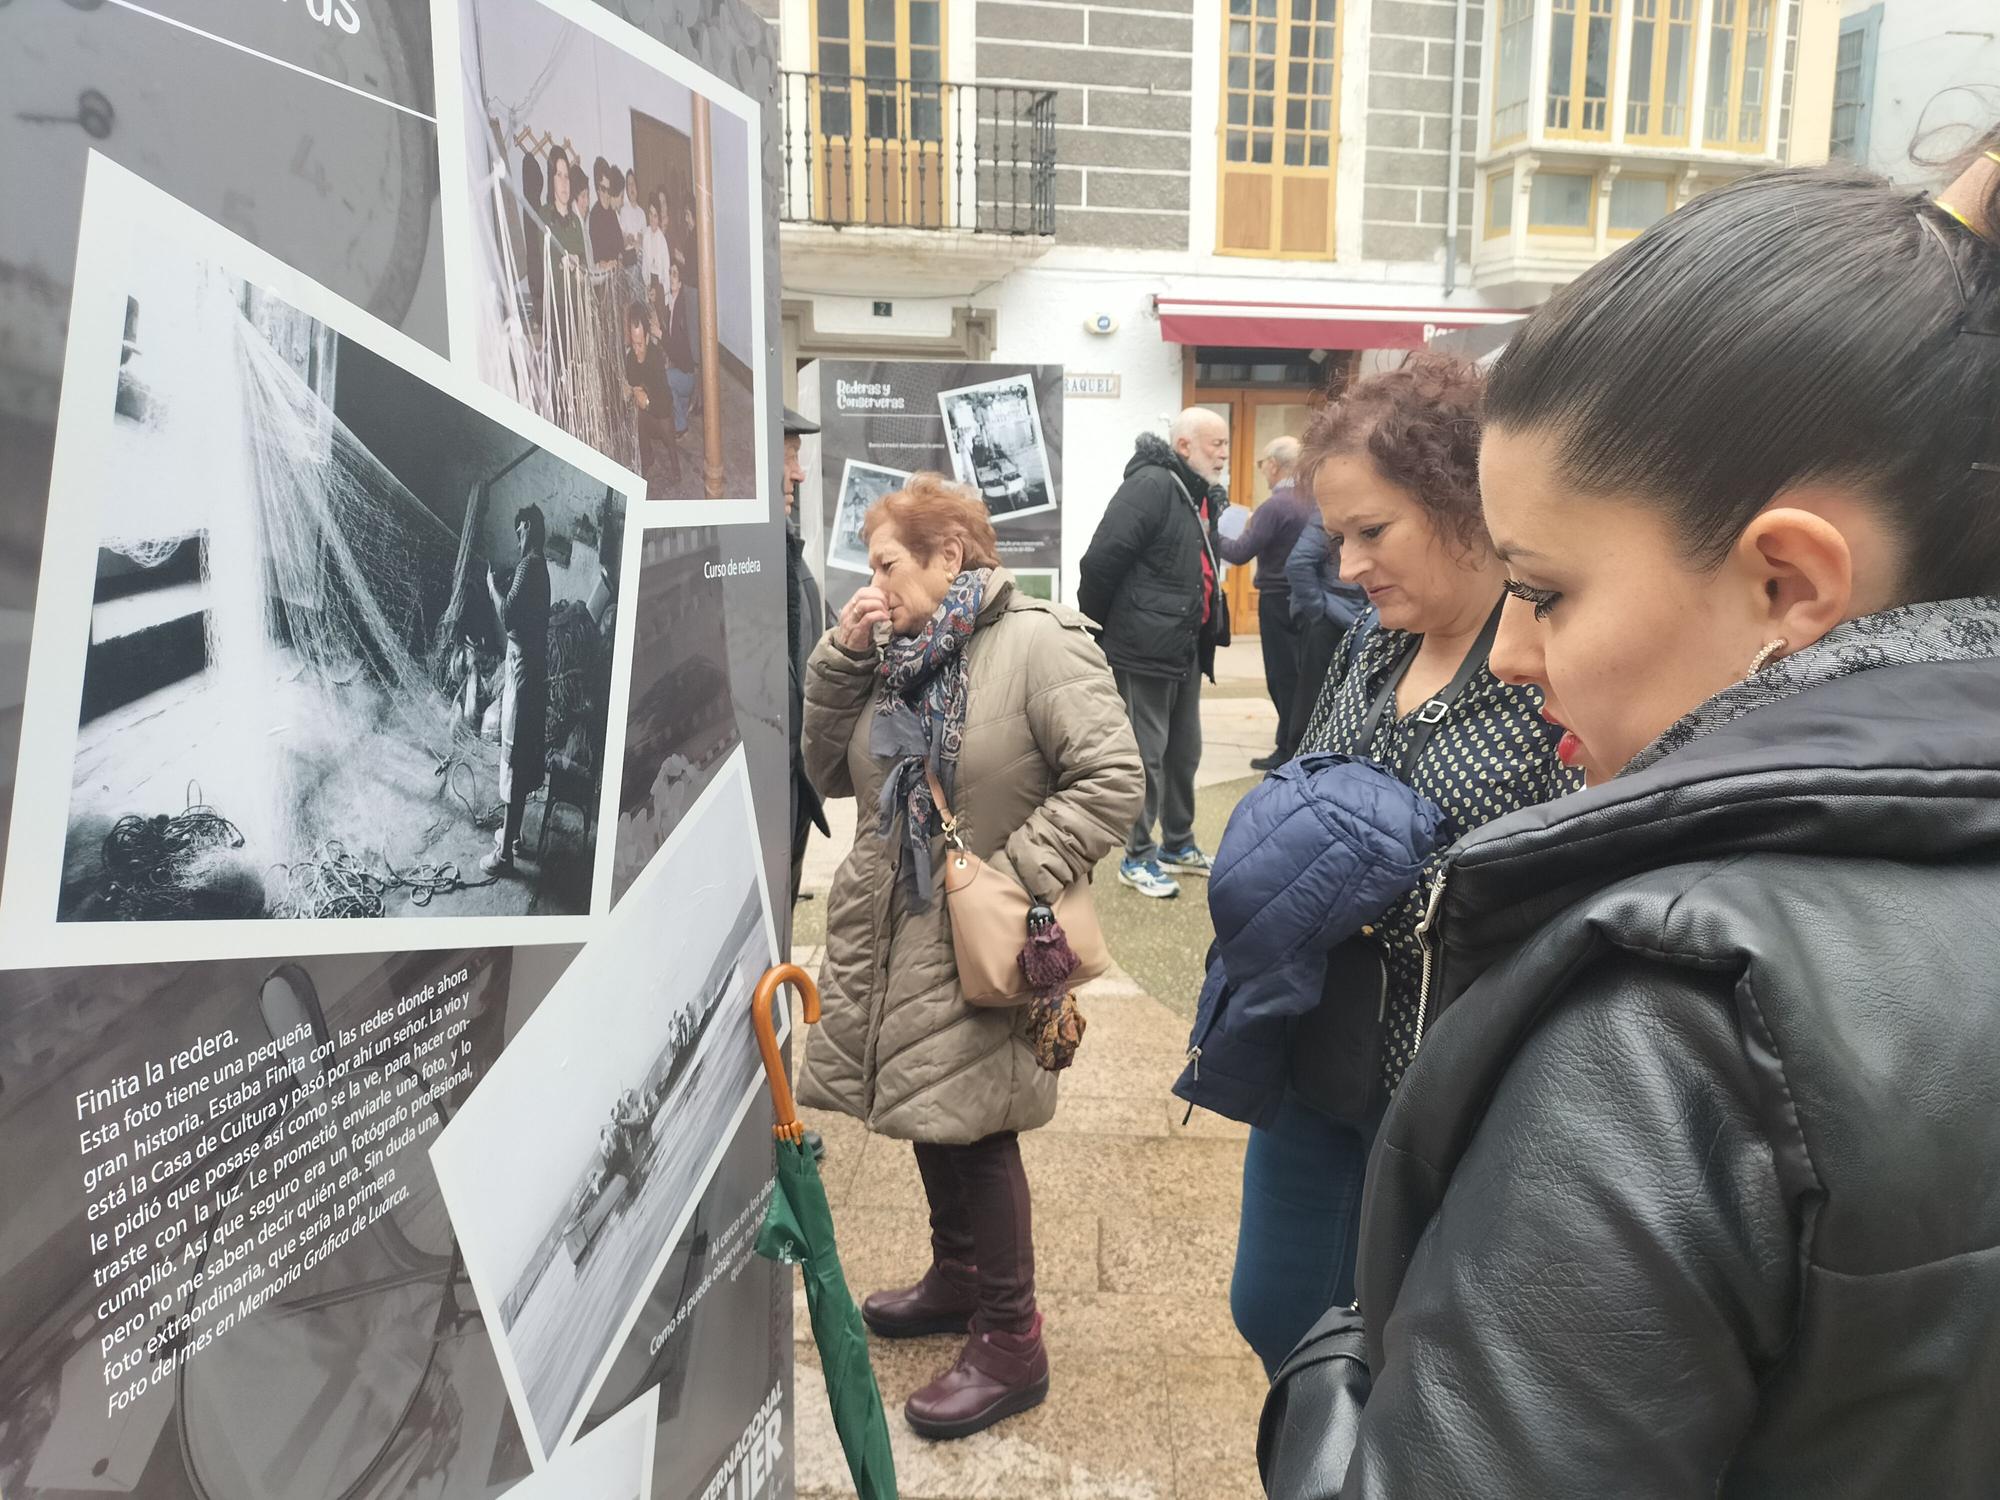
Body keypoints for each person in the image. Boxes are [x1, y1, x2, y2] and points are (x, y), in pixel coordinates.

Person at [1266, 138, 2000, 1497]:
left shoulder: (1680, 1022)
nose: (1514, 655)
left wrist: (1338, 1377)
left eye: (1545, 591)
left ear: (1787, 582)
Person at [1228, 354, 1577, 1375]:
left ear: (1465, 504)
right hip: (1314, 1046)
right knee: (1276, 1308)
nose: (1344, 566)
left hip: (1448, 1090)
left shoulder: (1548, 666)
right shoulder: (1368, 647)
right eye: (1337, 536)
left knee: (1407, 1352)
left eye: (1370, 532)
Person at [799, 474, 1142, 1441]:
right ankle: (957, 1278)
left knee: (982, 1130)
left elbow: (1114, 779)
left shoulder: (1037, 643)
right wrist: (842, 655)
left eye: (887, 565)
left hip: (977, 933)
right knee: (931, 1111)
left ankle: (1010, 1338)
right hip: (899, 928)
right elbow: (829, 768)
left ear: (951, 556)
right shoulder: (892, 655)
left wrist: (1006, 878)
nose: (874, 585)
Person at [1077, 408, 1230, 900]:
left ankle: (1177, 844)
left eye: (1227, 445)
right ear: (1184, 446)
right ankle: (1136, 855)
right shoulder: (1152, 485)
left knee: (1184, 752)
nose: (1224, 455)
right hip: (1144, 649)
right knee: (1146, 757)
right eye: (1216, 445)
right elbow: (1100, 560)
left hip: (1182, 647)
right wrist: (1102, 630)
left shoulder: (1195, 495)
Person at [1218, 436, 1315, 768]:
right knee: (1301, 674)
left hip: (1276, 598)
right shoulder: (1311, 499)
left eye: (1262, 464)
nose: (1262, 471)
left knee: (1281, 675)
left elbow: (1240, 552)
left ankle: (1287, 749)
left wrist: (1209, 532)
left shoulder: (1275, 506)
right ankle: (1291, 740)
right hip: (1308, 599)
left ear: (1273, 465)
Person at [482, 504, 552, 878]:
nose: (518, 537)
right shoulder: (539, 567)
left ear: (526, 526)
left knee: (513, 760)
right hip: (529, 670)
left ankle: (504, 858)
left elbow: (508, 615)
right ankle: (514, 838)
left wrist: (493, 584)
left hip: (524, 673)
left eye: (518, 530)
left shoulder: (530, 564)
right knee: (522, 758)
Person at [781, 406, 829, 904]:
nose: (799, 472)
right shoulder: (752, 560)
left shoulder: (788, 553)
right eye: (788, 457)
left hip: (795, 787)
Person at [1282, 511, 1369, 756]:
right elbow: (1298, 563)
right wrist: (1318, 610)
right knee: (1311, 701)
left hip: (1358, 620)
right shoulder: (1326, 516)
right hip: (1329, 622)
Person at [623, 302, 676, 488]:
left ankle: (675, 464)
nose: (636, 349)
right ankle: (647, 457)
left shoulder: (655, 359)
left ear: (646, 337)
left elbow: (664, 402)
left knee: (667, 427)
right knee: (636, 416)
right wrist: (636, 391)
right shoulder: (631, 357)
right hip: (645, 411)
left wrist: (646, 400)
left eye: (639, 344)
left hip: (661, 410)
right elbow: (632, 381)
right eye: (632, 342)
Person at [661, 254, 698, 438]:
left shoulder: (681, 308)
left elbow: (679, 351)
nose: (671, 277)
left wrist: (660, 335)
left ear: (681, 281)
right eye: (670, 273)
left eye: (674, 274)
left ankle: (680, 425)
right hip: (684, 370)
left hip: (688, 374)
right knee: (670, 374)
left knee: (665, 377)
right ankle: (682, 410)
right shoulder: (673, 302)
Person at [541, 147, 586, 264]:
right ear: (552, 179)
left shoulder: (575, 221)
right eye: (559, 175)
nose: (564, 182)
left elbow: (584, 262)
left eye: (566, 176)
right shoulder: (544, 216)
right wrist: (564, 264)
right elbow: (546, 265)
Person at [588, 158, 624, 269]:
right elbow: (596, 257)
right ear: (597, 189)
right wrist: (606, 265)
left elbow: (620, 245)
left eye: (609, 189)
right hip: (604, 279)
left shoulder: (612, 213)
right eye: (604, 189)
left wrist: (620, 258)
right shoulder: (594, 216)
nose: (607, 194)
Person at [642, 194, 672, 299]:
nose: (652, 219)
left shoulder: (662, 240)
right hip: (650, 282)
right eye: (650, 214)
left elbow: (666, 272)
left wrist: (659, 291)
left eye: (655, 215)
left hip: (661, 285)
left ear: (658, 217)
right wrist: (647, 284)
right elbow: (644, 265)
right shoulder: (645, 235)